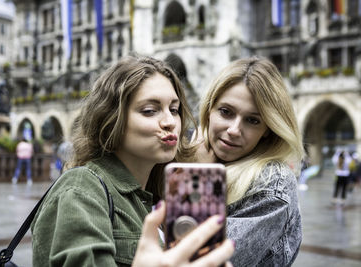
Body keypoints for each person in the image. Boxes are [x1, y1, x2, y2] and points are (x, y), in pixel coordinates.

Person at [31, 55, 234, 266]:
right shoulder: (82, 188)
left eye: (174, 110)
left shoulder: (155, 197)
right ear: (112, 119)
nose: (169, 122)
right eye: (149, 111)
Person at [194, 57, 304, 266]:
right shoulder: (186, 158)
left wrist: (200, 177)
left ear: (267, 130)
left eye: (252, 120)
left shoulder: (272, 183)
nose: (234, 130)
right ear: (209, 110)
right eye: (226, 112)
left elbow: (198, 258)